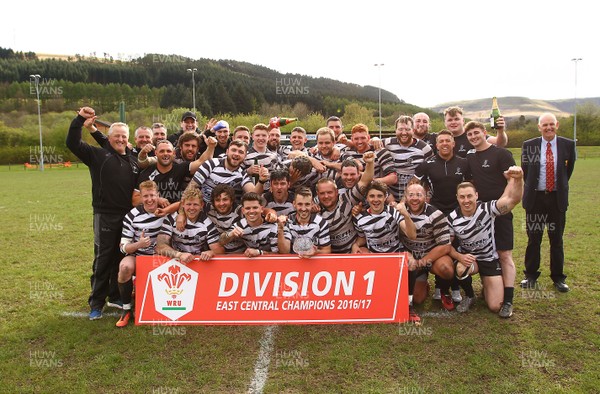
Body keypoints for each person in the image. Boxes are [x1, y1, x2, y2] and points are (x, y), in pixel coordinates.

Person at [66, 107, 139, 320]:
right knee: (103, 259)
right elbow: (72, 143)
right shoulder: (97, 155)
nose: (121, 140)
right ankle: (96, 303)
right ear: (109, 138)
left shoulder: (133, 160)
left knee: (120, 256)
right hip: (104, 215)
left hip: (127, 217)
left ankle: (115, 296)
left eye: (124, 137)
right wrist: (80, 120)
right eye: (116, 136)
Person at [448, 167, 523, 314]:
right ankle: (469, 296)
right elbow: (446, 246)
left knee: (495, 306)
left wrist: (519, 179)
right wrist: (459, 256)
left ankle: (491, 287)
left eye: (469, 196)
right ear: (457, 197)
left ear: (476, 195)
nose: (466, 200)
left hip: (489, 259)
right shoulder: (452, 218)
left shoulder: (488, 209)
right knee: (460, 267)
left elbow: (514, 199)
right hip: (471, 260)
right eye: (462, 197)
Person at [464, 120, 517, 318]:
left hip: (499, 211)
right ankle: (487, 287)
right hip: (480, 213)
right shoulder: (470, 157)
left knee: (504, 254)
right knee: (483, 252)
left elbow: (512, 180)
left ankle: (509, 300)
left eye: (476, 133)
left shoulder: (501, 153)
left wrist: (502, 203)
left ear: (485, 133)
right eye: (470, 135)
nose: (473, 137)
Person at [520, 113, 576, 292]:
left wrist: (556, 187)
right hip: (536, 199)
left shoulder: (568, 145)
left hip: (556, 199)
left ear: (557, 125)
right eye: (545, 125)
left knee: (556, 240)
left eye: (551, 124)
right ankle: (530, 275)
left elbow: (568, 171)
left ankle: (558, 278)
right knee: (533, 239)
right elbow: (526, 170)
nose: (548, 128)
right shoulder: (530, 145)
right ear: (539, 127)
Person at [414, 130, 471, 304]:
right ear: (436, 145)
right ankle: (440, 286)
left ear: (453, 143)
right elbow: (414, 184)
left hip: (457, 210)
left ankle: (454, 286)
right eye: (441, 141)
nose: (444, 144)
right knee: (440, 246)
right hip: (436, 211)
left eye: (448, 140)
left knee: (455, 246)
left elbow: (470, 187)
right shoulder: (427, 163)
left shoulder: (464, 163)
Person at [351, 181, 418, 321]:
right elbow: (363, 238)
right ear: (367, 198)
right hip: (375, 257)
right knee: (359, 256)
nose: (376, 200)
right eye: (372, 196)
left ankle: (409, 304)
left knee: (411, 263)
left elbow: (412, 235)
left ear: (385, 197)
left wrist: (406, 214)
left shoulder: (393, 211)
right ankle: (368, 302)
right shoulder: (359, 218)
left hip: (395, 254)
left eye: (379, 196)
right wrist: (355, 245)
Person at [115, 180, 165, 327]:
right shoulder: (132, 215)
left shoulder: (167, 211)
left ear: (158, 195)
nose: (149, 200)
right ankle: (126, 309)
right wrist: (139, 244)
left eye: (152, 195)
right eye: (145, 196)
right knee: (124, 267)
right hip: (139, 256)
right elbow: (123, 247)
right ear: (141, 198)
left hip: (163, 258)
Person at [401, 182, 454, 312]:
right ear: (405, 197)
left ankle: (444, 290)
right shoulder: (399, 212)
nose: (414, 198)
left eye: (419, 195)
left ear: (426, 197)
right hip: (411, 257)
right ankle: (424, 284)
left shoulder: (435, 214)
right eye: (411, 195)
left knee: (446, 269)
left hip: (432, 257)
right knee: (418, 299)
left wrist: (422, 262)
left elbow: (445, 246)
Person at [316, 151, 374, 254]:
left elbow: (365, 180)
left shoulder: (347, 199)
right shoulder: (313, 205)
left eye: (329, 192)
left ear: (337, 192)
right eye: (322, 193)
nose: (326, 196)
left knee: (363, 252)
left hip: (351, 250)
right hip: (328, 254)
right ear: (317, 194)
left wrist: (370, 163)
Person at [372, 115, 433, 201]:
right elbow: (367, 145)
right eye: (400, 129)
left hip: (414, 199)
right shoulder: (388, 143)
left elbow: (429, 174)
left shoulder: (425, 149)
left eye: (407, 129)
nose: (404, 133)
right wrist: (375, 138)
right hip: (390, 198)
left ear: (413, 130)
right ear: (395, 130)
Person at [155, 187, 224, 262]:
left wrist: (211, 253)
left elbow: (219, 251)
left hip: (198, 263)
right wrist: (179, 255)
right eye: (188, 204)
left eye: (195, 204)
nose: (192, 208)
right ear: (183, 204)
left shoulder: (207, 223)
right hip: (175, 261)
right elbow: (160, 246)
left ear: (202, 205)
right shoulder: (171, 219)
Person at [188, 139, 267, 204]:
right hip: (204, 209)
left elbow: (254, 195)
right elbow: (191, 188)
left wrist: (261, 181)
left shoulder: (242, 174)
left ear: (245, 156)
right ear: (227, 152)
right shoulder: (211, 164)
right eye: (234, 150)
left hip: (227, 215)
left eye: (241, 152)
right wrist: (182, 213)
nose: (236, 154)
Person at [341, 123, 397, 195]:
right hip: (354, 194)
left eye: (363, 138)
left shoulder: (379, 151)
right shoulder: (347, 152)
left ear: (368, 137)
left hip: (376, 194)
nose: (360, 141)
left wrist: (370, 183)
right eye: (356, 139)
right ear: (351, 139)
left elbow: (393, 178)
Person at [277, 187, 331, 257]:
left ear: (312, 204)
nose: (303, 208)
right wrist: (280, 230)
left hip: (314, 265)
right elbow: (284, 251)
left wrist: (315, 252)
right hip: (292, 265)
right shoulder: (287, 222)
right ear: (294, 204)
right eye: (300, 204)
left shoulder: (321, 223)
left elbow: (327, 250)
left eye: (307, 204)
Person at [219, 192, 279, 257]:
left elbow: (279, 254)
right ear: (243, 210)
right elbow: (221, 241)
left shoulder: (272, 226)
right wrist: (231, 234)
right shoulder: (241, 224)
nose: (251, 211)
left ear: (261, 209)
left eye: (255, 207)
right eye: (248, 208)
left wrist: (259, 252)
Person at [443, 106, 507, 158]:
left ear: (463, 121)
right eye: (450, 120)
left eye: (456, 119)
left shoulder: (473, 135)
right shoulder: (441, 139)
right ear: (445, 123)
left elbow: (500, 143)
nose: (453, 122)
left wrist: (500, 131)